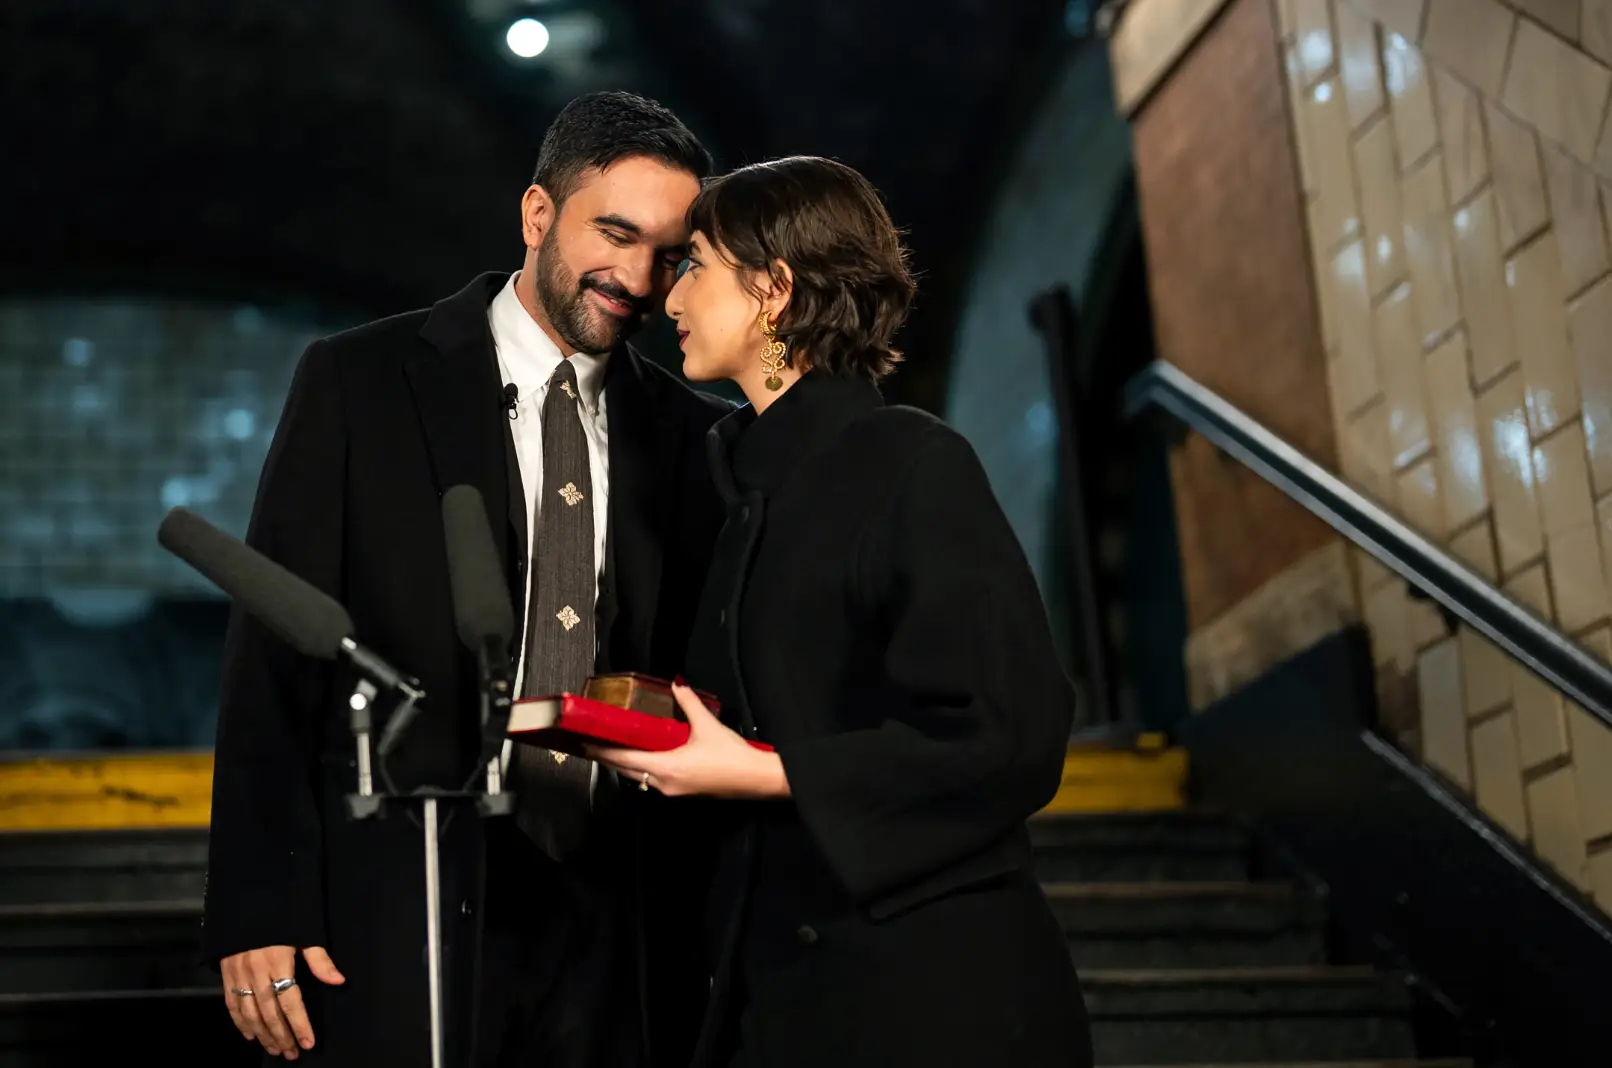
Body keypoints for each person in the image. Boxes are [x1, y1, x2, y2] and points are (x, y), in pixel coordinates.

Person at [202, 91, 730, 1067]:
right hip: (406, 884)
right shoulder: (357, 381)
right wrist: (257, 903)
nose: (638, 276)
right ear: (538, 215)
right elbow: (274, 654)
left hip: (618, 918)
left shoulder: (698, 436)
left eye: (669, 253)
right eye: (614, 232)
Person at [588, 155, 1094, 1068]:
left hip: (925, 1005)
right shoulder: (730, 482)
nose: (670, 295)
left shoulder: (907, 461)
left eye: (695, 263)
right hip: (770, 995)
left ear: (775, 288)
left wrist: (762, 772)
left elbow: (1013, 731)